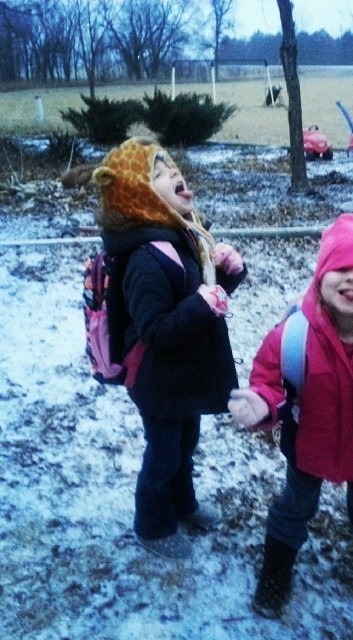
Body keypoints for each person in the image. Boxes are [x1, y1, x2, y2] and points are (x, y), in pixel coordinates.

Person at [228, 214, 353, 618]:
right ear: (321, 275)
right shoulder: (292, 337)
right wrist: (262, 405)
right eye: (341, 268)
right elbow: (270, 381)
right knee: (295, 506)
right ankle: (276, 569)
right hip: (309, 447)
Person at [91, 137, 247, 560]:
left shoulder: (184, 236)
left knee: (186, 443)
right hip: (156, 379)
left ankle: (183, 503)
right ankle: (152, 525)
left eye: (172, 167)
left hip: (183, 374)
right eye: (158, 174)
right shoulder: (146, 258)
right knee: (163, 453)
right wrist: (204, 302)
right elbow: (155, 329)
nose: (174, 173)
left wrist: (227, 276)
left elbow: (198, 297)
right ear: (137, 194)